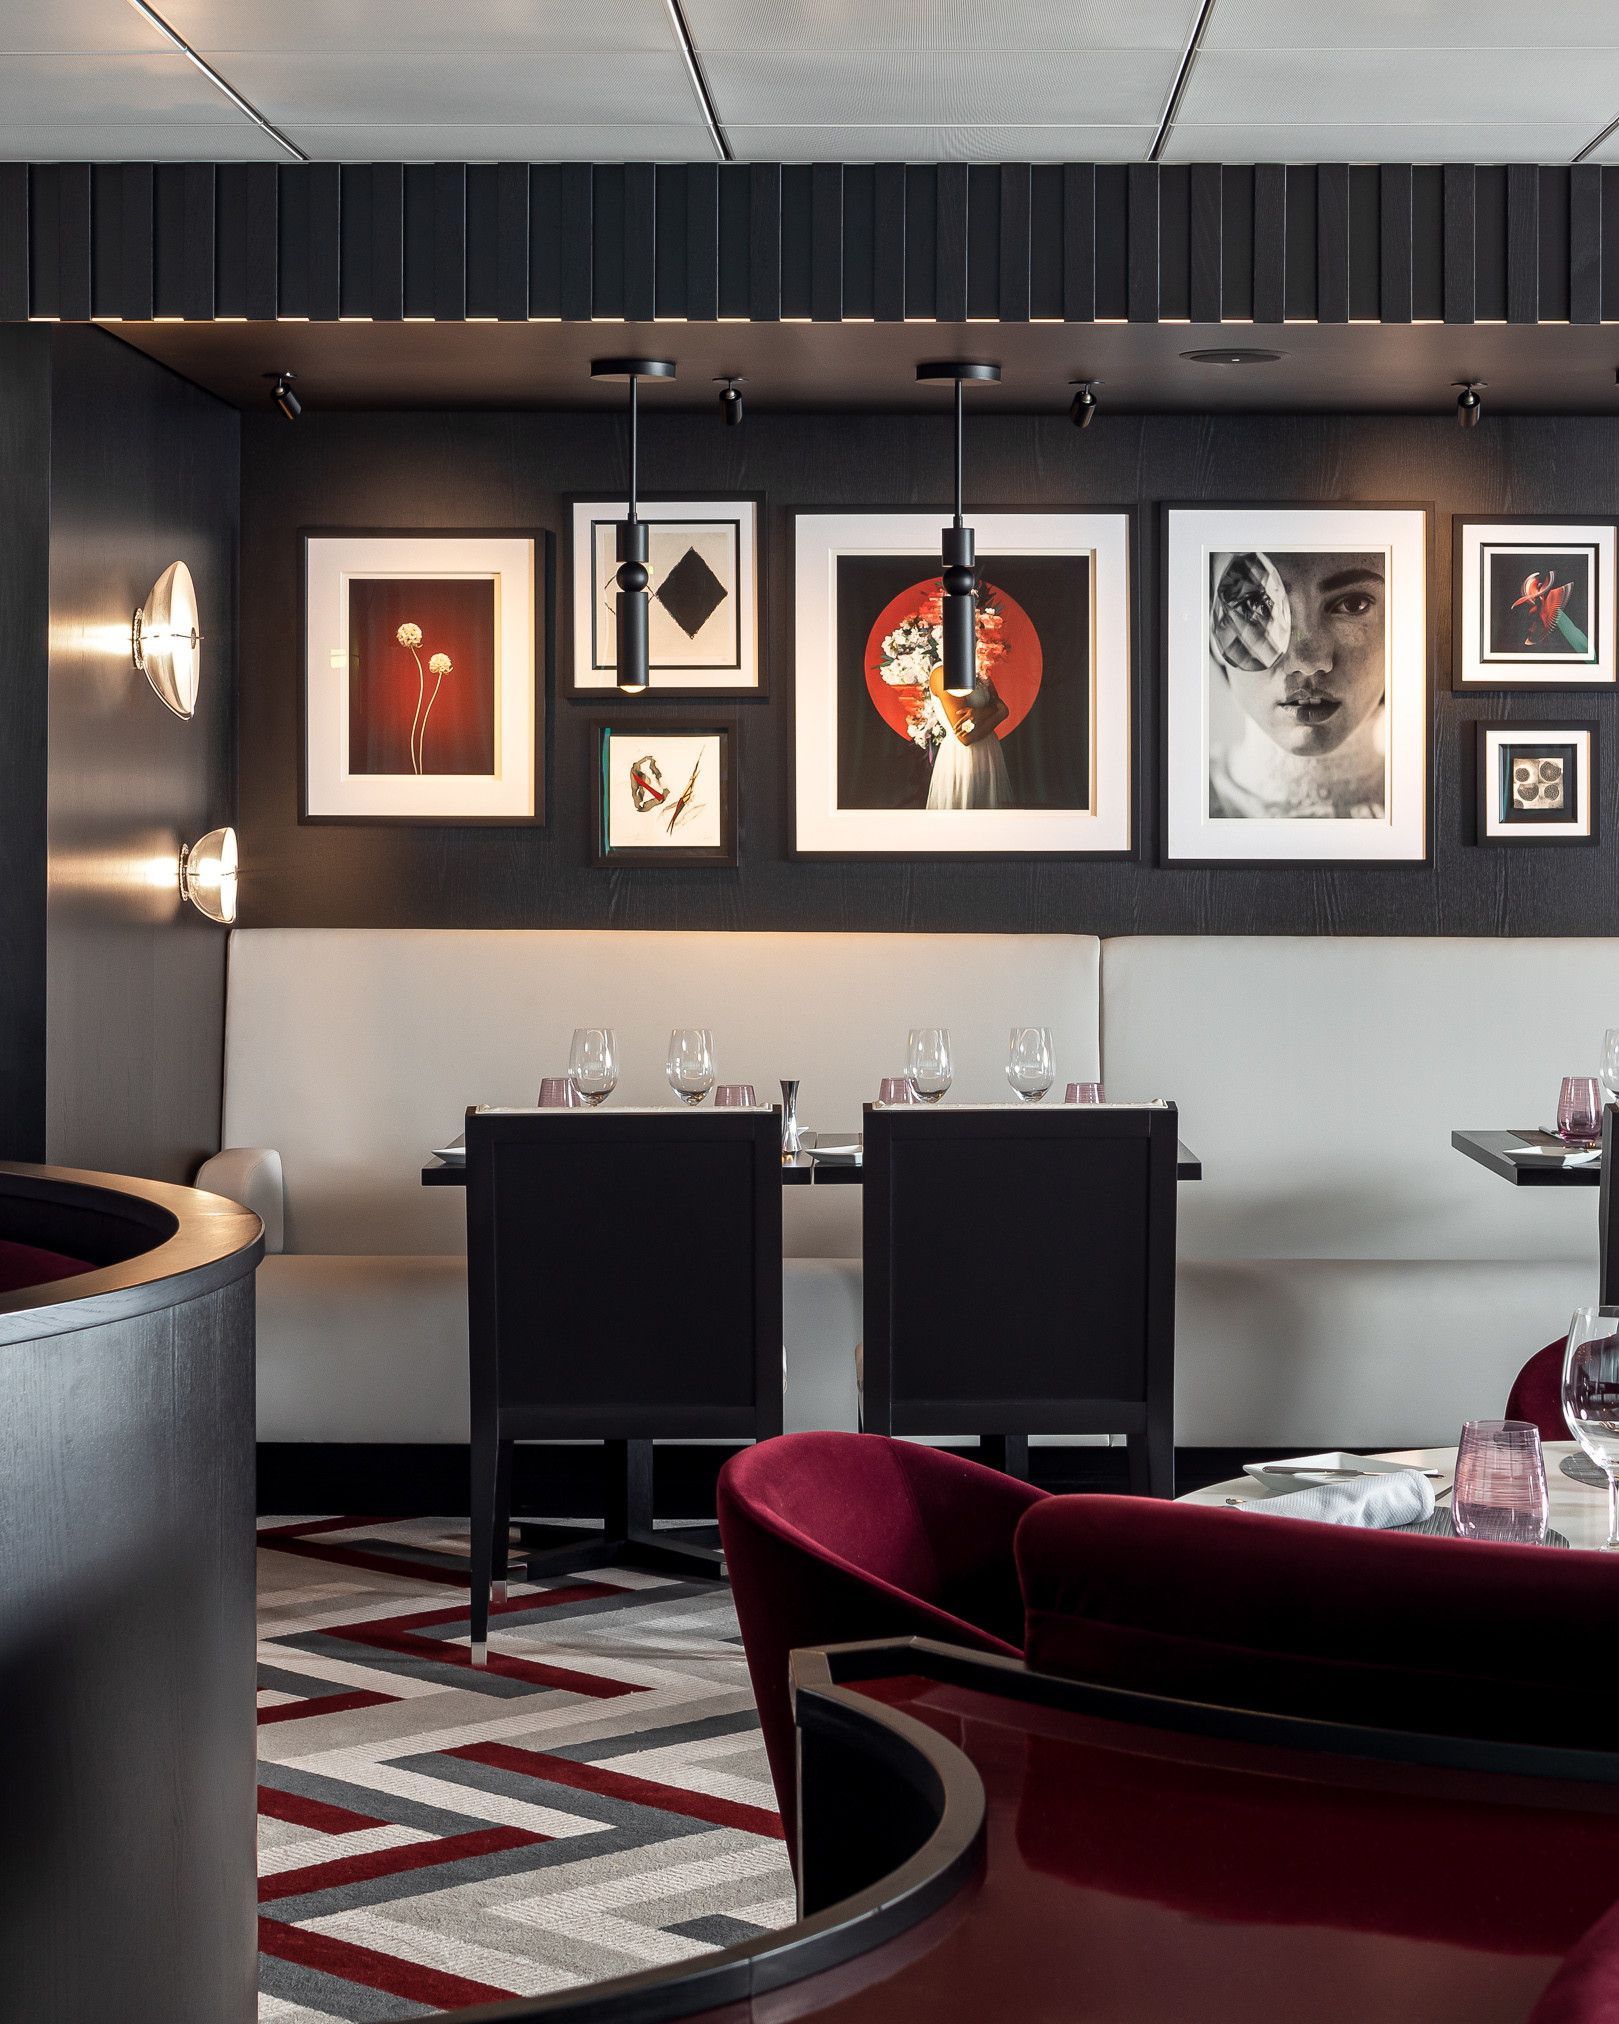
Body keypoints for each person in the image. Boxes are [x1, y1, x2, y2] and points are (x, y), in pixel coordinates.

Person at [1207, 549, 1386, 820]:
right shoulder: (1172, 811)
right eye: (1255, 605)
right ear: (1208, 630)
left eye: (1353, 604)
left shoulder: (1436, 807)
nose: (1307, 662)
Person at [925, 660, 1010, 810]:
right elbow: (966, 737)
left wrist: (982, 712)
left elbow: (1000, 705)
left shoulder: (978, 668)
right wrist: (999, 715)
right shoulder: (942, 673)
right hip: (961, 758)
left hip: (988, 753)